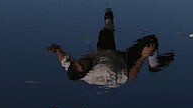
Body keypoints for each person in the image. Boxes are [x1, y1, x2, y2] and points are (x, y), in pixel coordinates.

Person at [46, 8, 174, 88]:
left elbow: (64, 60)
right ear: (86, 72)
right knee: (150, 42)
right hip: (123, 63)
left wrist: (57, 49)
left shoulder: (74, 65)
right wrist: (143, 56)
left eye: (80, 61)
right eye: (83, 65)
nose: (83, 61)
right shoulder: (105, 72)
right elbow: (130, 77)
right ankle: (155, 64)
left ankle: (108, 21)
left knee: (104, 33)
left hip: (105, 54)